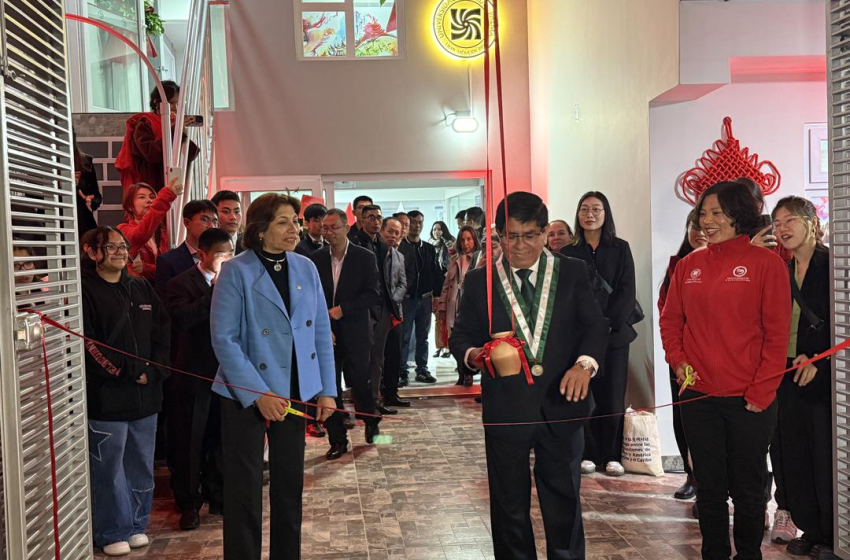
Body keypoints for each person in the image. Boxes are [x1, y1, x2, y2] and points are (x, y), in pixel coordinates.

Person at [450, 192, 608, 560]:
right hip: (507, 408)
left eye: (530, 235)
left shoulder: (572, 271)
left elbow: (596, 326)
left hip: (562, 404)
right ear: (498, 234)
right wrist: (476, 356)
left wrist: (584, 365)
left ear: (545, 232)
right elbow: (461, 336)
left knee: (563, 500)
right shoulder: (480, 281)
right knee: (509, 505)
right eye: (511, 236)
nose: (520, 246)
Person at [660, 181, 791, 560]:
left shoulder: (767, 264)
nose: (707, 221)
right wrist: (679, 361)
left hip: (750, 400)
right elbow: (671, 322)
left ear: (739, 215)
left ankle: (748, 554)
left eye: (717, 213)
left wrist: (761, 392)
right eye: (703, 213)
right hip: (698, 397)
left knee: (749, 488)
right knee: (710, 488)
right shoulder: (689, 265)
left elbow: (776, 335)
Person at [210, 193, 336, 560]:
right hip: (244, 392)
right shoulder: (235, 270)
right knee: (244, 487)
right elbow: (224, 339)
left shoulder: (306, 267)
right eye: (283, 222)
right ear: (261, 230)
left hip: (295, 388)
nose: (294, 228)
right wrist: (257, 393)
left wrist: (327, 389)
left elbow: (320, 332)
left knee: (289, 484)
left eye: (295, 221)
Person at [80, 226, 170, 556]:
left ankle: (136, 525)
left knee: (141, 465)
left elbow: (163, 331)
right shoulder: (83, 290)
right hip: (107, 399)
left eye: (123, 246)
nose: (120, 252)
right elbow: (88, 343)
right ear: (91, 252)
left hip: (147, 397)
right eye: (111, 247)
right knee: (108, 469)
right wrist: (129, 372)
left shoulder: (141, 286)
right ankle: (111, 530)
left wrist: (155, 370)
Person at [771, 196, 835, 560]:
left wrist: (820, 360)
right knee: (793, 452)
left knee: (823, 454)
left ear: (811, 222)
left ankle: (832, 533)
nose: (782, 228)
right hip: (786, 371)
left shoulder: (833, 265)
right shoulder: (782, 269)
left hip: (823, 376)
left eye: (790, 220)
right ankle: (810, 528)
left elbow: (842, 322)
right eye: (777, 222)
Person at [561, 191, 636, 477]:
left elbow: (626, 291)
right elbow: (567, 297)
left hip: (615, 336)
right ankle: (589, 452)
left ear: (606, 214)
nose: (589, 214)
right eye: (584, 209)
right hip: (580, 338)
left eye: (596, 209)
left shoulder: (620, 248)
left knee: (613, 396)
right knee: (585, 395)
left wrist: (606, 326)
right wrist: (588, 328)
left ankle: (612, 454)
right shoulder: (568, 252)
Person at [165, 228, 233, 531]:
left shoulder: (234, 282)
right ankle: (189, 503)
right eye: (220, 255)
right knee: (190, 441)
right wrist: (213, 292)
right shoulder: (179, 284)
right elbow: (182, 320)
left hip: (226, 374)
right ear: (202, 255)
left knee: (221, 439)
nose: (226, 260)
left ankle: (219, 495)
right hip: (192, 375)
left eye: (229, 254)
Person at [310, 209, 382, 459]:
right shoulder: (315, 259)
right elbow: (310, 296)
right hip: (325, 331)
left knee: (360, 381)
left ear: (346, 228)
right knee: (329, 385)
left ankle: (371, 420)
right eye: (325, 228)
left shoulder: (364, 257)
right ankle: (337, 439)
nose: (328, 232)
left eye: (333, 227)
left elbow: (373, 294)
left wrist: (343, 310)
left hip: (355, 329)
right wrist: (323, 324)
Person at [657, 209, 706, 501]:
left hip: (712, 357)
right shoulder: (677, 266)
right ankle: (692, 476)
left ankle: (710, 482)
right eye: (694, 226)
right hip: (681, 357)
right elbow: (667, 312)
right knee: (682, 416)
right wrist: (676, 355)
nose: (700, 232)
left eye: (705, 225)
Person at [115, 81, 199, 192]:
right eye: (171, 103)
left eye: (178, 103)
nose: (175, 107)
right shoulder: (145, 123)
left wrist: (182, 131)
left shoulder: (174, 124)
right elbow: (151, 153)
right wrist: (175, 130)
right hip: (150, 186)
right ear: (157, 103)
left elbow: (191, 154)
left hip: (172, 182)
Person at [399, 210, 443, 384]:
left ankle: (422, 369)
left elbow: (436, 272)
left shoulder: (429, 248)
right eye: (413, 222)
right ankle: (401, 370)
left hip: (425, 298)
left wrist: (437, 297)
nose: (417, 226)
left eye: (420, 222)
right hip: (406, 299)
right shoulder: (400, 247)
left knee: (423, 337)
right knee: (404, 337)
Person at [372, 217, 409, 410]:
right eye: (390, 231)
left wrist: (393, 300)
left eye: (397, 232)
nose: (393, 235)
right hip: (376, 313)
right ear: (381, 232)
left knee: (394, 354)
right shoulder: (371, 254)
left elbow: (403, 283)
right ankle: (374, 397)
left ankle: (391, 394)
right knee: (377, 356)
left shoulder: (399, 256)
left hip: (394, 312)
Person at [438, 225, 480, 385]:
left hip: (472, 305)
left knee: (471, 339)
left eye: (469, 239)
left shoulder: (480, 257)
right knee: (455, 340)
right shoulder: (454, 259)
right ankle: (462, 372)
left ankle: (469, 372)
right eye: (462, 240)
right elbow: (446, 285)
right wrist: (442, 306)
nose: (466, 243)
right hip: (455, 304)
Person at [118, 177, 182, 281]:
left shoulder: (164, 234)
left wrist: (146, 268)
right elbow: (141, 234)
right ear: (129, 207)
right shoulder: (123, 230)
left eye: (152, 197)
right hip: (137, 288)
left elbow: (170, 268)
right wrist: (166, 196)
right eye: (142, 197)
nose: (149, 200)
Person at [155, 199, 218, 299]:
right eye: (204, 220)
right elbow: (166, 302)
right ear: (187, 223)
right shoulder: (168, 261)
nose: (211, 226)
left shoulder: (221, 259)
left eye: (215, 221)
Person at [430, 221, 455, 359]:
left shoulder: (450, 244)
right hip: (435, 288)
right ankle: (439, 346)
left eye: (439, 229)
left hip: (448, 286)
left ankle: (448, 346)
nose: (436, 232)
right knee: (438, 319)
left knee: (448, 318)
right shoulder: (430, 246)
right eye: (434, 229)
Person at [74, 131, 102, 236]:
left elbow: (97, 196)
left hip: (82, 223)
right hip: (54, 221)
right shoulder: (46, 162)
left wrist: (90, 200)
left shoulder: (86, 162)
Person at [211, 190, 244, 254]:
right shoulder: (205, 244)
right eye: (226, 211)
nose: (233, 217)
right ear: (214, 213)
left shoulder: (249, 246)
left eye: (237, 212)